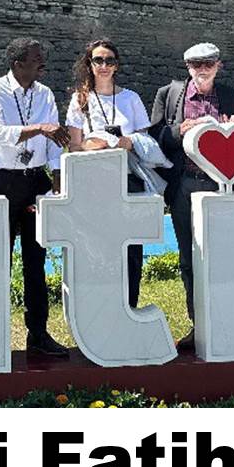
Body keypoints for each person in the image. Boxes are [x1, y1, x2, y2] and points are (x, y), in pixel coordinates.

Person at [151, 41, 234, 349]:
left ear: (219, 65)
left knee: (226, 256)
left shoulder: (231, 96)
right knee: (189, 257)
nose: (202, 68)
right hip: (184, 185)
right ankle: (199, 324)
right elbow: (154, 138)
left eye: (208, 62)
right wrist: (180, 130)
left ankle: (226, 321)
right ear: (187, 67)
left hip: (222, 185)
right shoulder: (170, 95)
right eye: (195, 64)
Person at [0, 38, 71, 358]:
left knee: (37, 261)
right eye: (37, 60)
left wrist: (57, 182)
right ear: (18, 63)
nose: (42, 64)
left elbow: (55, 140)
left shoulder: (43, 93)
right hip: (5, 182)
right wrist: (40, 128)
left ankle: (38, 334)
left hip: (35, 182)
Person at [66, 39, 155, 307]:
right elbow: (73, 145)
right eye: (98, 60)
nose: (104, 66)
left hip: (128, 179)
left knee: (130, 249)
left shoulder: (131, 98)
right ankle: (101, 307)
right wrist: (94, 146)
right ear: (89, 64)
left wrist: (126, 141)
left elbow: (145, 142)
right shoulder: (80, 100)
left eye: (109, 61)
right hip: (94, 182)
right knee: (98, 248)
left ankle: (129, 306)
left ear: (117, 65)